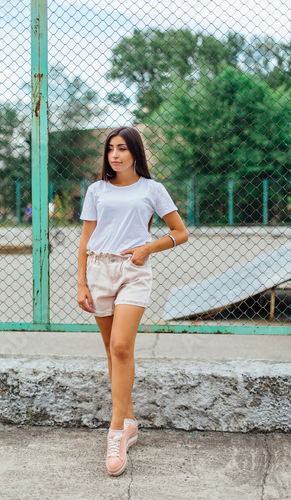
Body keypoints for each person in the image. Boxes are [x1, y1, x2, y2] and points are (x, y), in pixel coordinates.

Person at [77, 127, 188, 477]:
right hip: (98, 270)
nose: (115, 155)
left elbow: (180, 232)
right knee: (112, 350)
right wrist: (81, 282)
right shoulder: (97, 190)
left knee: (123, 346)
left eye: (122, 148)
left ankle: (115, 431)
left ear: (135, 153)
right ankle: (129, 420)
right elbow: (86, 238)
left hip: (134, 271)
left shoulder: (152, 189)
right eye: (111, 149)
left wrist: (147, 247)